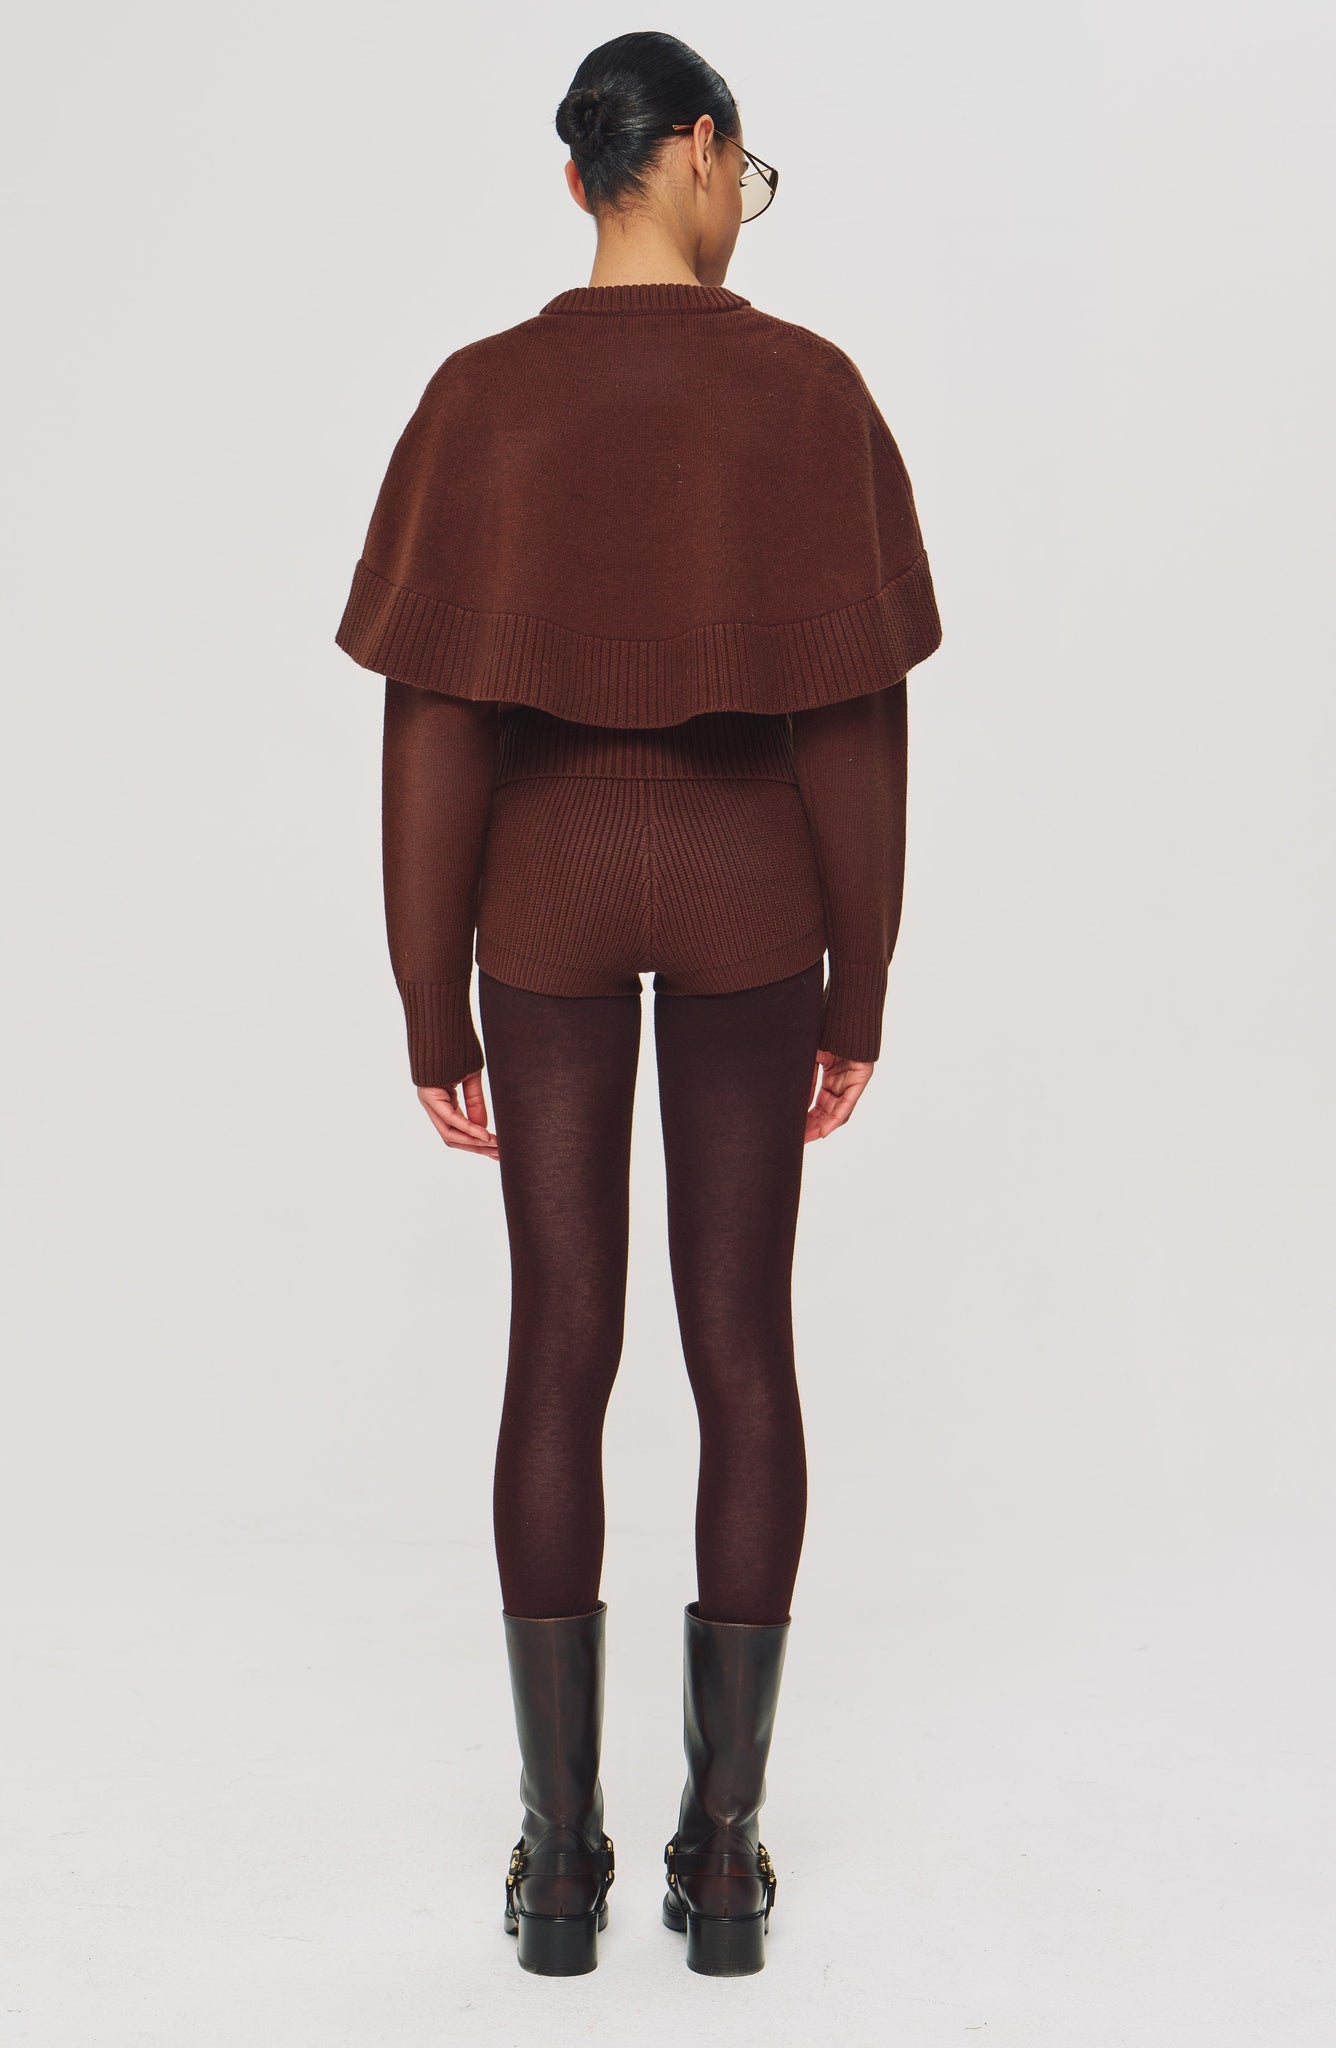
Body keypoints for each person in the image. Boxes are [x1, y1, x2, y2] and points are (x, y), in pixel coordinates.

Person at [334, 31, 943, 1979]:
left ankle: (558, 1865)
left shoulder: (481, 397)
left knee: (559, 1342)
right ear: (694, 150)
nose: (738, 202)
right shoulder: (806, 391)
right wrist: (864, 973)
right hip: (755, 890)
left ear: (574, 181)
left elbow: (434, 722)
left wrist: (429, 999)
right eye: (739, 171)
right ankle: (726, 1858)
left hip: (548, 898)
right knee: (742, 1346)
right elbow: (851, 720)